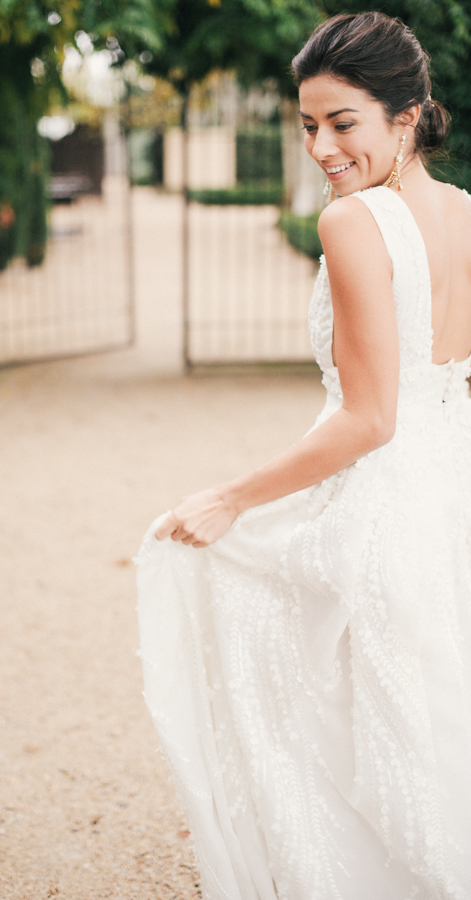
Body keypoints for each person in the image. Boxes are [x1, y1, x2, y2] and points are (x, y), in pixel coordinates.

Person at [136, 11, 471, 899]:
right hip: (451, 495)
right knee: (427, 726)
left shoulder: (355, 223)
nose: (320, 146)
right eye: (307, 125)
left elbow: (368, 420)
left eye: (341, 123)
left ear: (407, 116)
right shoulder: (469, 216)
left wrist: (230, 499)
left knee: (323, 731)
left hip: (383, 501)